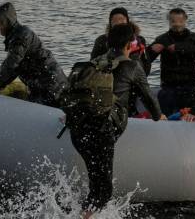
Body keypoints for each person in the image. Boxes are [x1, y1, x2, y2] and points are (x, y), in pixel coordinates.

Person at [70, 24, 164, 219]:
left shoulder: (95, 62)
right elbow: (149, 100)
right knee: (103, 192)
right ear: (131, 44)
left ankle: (82, 214)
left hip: (78, 130)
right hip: (101, 131)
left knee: (96, 186)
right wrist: (158, 116)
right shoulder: (132, 66)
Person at [0, 2, 67, 107]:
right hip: (42, 85)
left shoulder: (21, 37)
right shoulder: (15, 37)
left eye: (0, 24)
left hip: (51, 86)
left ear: (8, 22)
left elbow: (11, 66)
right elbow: (14, 69)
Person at [148, 8, 195, 116]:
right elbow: (147, 59)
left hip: (188, 85)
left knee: (187, 115)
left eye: (180, 21)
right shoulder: (162, 39)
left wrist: (179, 47)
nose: (177, 24)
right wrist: (151, 50)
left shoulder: (194, 38)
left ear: (185, 20)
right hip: (168, 86)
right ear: (169, 21)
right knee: (166, 116)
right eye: (173, 21)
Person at [91, 7, 151, 75]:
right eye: (114, 20)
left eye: (121, 19)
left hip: (136, 77)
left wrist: (141, 75)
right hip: (110, 79)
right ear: (110, 23)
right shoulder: (101, 40)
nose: (118, 22)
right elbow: (93, 63)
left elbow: (146, 63)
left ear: (127, 21)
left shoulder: (139, 40)